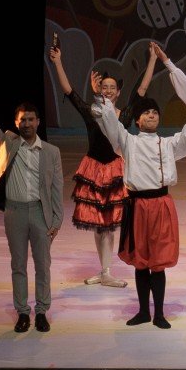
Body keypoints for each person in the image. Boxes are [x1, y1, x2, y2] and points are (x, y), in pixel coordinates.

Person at [91, 87, 186, 329]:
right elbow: (112, 127)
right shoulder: (128, 142)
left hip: (161, 206)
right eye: (146, 113)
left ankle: (159, 313)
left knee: (158, 262)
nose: (151, 115)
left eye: (154, 113)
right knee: (141, 261)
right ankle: (143, 311)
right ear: (137, 120)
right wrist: (105, 101)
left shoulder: (168, 144)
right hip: (137, 206)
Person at [0, 77, 65, 334]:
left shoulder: (51, 152)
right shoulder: (8, 143)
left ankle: (42, 312)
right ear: (16, 123)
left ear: (38, 122)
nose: (27, 123)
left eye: (31, 119)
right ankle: (23, 312)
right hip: (14, 212)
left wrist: (56, 220)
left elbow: (57, 189)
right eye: (22, 120)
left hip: (39, 213)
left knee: (43, 265)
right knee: (18, 265)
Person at [47, 44, 130, 288]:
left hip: (114, 169)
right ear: (99, 89)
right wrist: (57, 62)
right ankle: (103, 270)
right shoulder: (91, 112)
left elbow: (141, 91)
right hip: (94, 170)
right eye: (104, 87)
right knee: (97, 224)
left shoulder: (123, 115)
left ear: (118, 92)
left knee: (109, 226)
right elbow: (69, 91)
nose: (108, 90)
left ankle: (107, 271)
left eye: (112, 87)